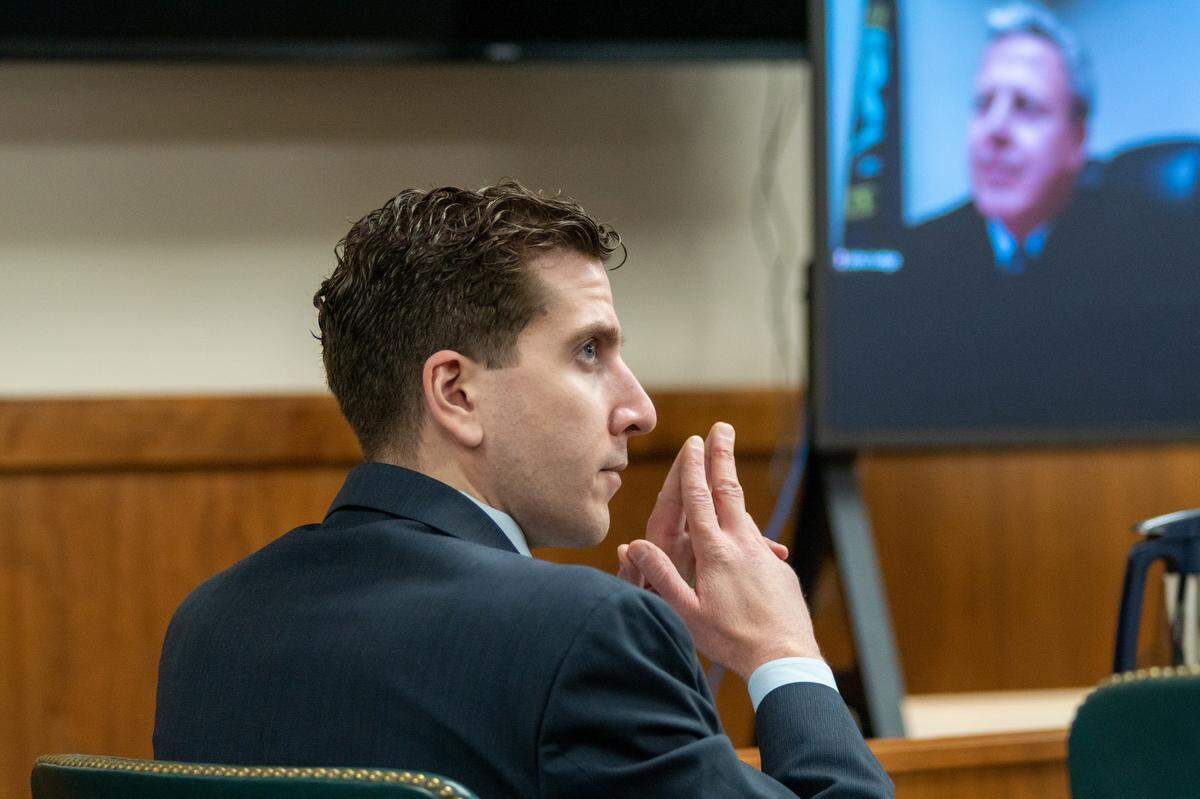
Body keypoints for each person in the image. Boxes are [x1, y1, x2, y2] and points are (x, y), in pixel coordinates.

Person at [153, 182, 892, 798]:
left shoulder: (207, 627)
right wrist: (781, 649)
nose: (640, 409)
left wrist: (658, 681)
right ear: (457, 393)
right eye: (589, 350)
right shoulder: (583, 637)